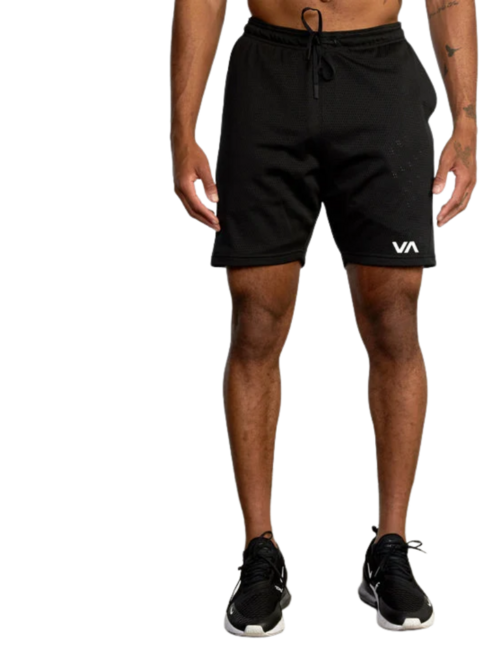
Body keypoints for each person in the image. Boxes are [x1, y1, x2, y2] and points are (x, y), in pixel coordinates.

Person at [170, 0, 478, 637]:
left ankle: (390, 548)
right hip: (268, 75)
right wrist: (181, 129)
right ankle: (260, 553)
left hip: (379, 75)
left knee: (395, 316)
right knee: (255, 316)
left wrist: (468, 123)